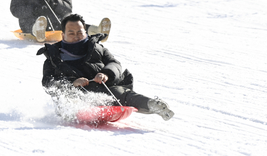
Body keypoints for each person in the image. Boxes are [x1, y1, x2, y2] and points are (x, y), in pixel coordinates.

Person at [37, 13, 175, 121]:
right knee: (72, 98)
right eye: (71, 33)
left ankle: (153, 105)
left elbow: (115, 64)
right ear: (63, 35)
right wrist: (72, 83)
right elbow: (48, 82)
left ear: (85, 31)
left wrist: (106, 74)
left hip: (104, 89)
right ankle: (76, 110)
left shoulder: (97, 48)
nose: (76, 36)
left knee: (122, 94)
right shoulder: (53, 58)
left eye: (80, 32)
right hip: (77, 96)